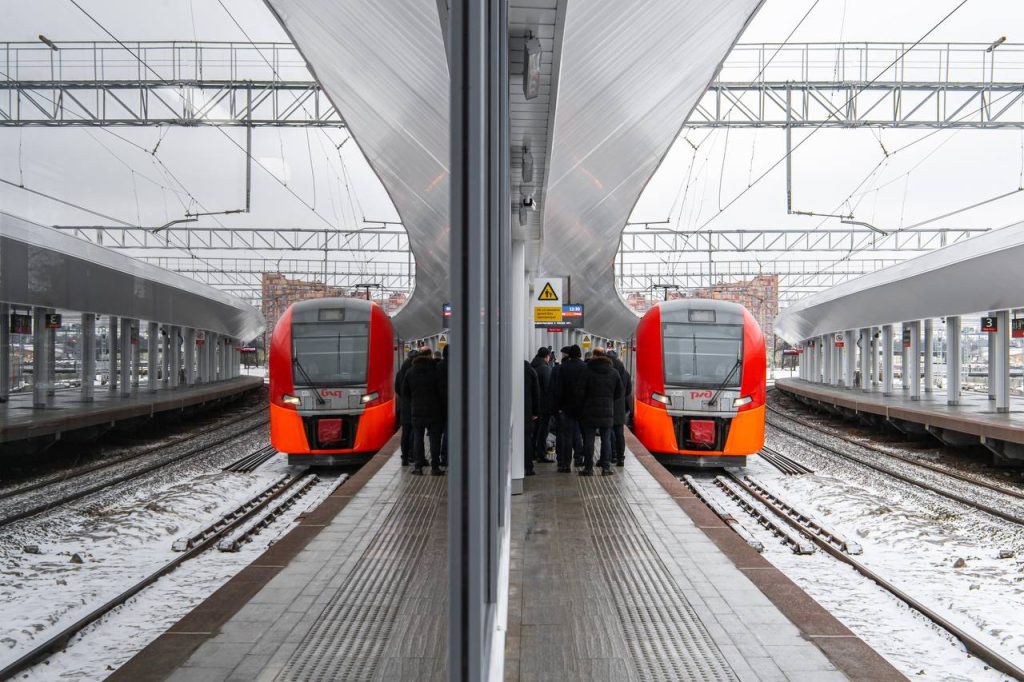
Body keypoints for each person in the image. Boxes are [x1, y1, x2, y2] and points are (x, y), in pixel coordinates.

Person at [576, 347, 622, 476]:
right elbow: (619, 392)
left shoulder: (587, 371)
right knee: (606, 439)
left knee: (589, 440)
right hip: (607, 411)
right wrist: (609, 400)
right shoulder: (614, 373)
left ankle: (588, 468)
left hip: (589, 411)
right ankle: (606, 468)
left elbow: (580, 392)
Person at [401, 348, 445, 475]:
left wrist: (414, 401)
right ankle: (435, 467)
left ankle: (418, 467)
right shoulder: (435, 371)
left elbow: (405, 392)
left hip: (416, 410)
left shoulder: (410, 372)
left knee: (418, 439)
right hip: (434, 411)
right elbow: (441, 392)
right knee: (435, 440)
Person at [551, 344, 586, 473]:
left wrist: (558, 407)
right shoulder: (584, 367)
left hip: (565, 407)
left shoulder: (562, 368)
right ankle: (579, 458)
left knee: (565, 435)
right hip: (580, 407)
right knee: (579, 433)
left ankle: (564, 464)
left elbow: (557, 389)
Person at [607, 350, 632, 467]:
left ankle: (612, 455)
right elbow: (628, 391)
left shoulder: (609, 372)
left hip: (609, 405)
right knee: (619, 434)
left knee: (609, 432)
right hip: (620, 406)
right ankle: (621, 458)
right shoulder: (625, 373)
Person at [529, 347, 554, 463]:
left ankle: (532, 453)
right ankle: (541, 454)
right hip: (544, 406)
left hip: (532, 405)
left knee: (534, 431)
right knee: (543, 431)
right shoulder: (545, 369)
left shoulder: (531, 366)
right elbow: (549, 388)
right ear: (547, 356)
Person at [394, 349, 417, 465]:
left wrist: (404, 397)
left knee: (405, 432)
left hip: (404, 406)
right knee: (414, 431)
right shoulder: (414, 372)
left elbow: (397, 389)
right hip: (414, 405)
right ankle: (412, 454)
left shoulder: (400, 373)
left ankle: (404, 457)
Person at [523, 360, 539, 476]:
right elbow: (536, 393)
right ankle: (528, 467)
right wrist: (536, 411)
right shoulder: (530, 370)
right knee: (527, 438)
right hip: (527, 411)